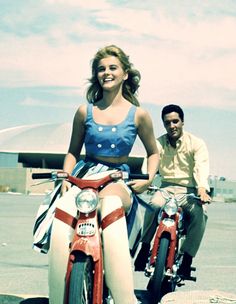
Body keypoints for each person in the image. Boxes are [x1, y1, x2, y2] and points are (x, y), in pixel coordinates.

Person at [49, 45, 159, 304]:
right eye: (101, 69)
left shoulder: (139, 114)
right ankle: (57, 297)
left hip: (117, 177)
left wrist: (149, 177)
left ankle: (124, 298)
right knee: (64, 208)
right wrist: (66, 177)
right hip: (85, 173)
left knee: (109, 205)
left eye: (112, 68)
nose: (106, 73)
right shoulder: (84, 111)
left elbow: (153, 152)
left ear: (125, 74)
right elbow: (72, 152)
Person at [134, 104, 212, 276]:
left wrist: (201, 188)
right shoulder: (158, 143)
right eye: (167, 123)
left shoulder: (196, 143)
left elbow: (201, 166)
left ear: (182, 122)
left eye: (175, 121)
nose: (172, 126)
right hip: (166, 189)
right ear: (163, 124)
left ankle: (187, 259)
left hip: (189, 191)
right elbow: (150, 163)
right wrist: (145, 181)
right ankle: (145, 246)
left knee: (201, 215)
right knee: (153, 205)